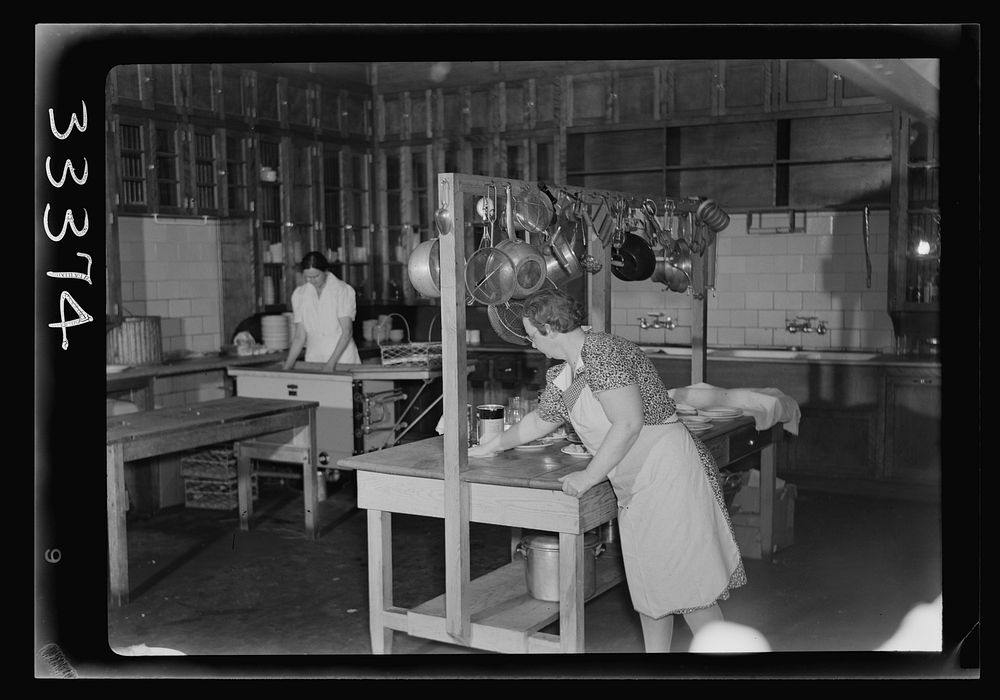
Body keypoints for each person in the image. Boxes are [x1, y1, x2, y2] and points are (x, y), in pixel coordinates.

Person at [468, 288, 746, 652]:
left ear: (550, 327)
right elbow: (542, 420)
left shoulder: (603, 352)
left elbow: (628, 423)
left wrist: (587, 476)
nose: (531, 344)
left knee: (691, 588)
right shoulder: (568, 372)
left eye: (533, 335)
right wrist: (492, 445)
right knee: (651, 588)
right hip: (637, 482)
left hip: (668, 476)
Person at [282, 251, 361, 371]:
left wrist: (331, 364)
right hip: (314, 359)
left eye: (316, 276)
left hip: (342, 360)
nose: (312, 280)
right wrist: (287, 366)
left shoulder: (342, 290)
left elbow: (347, 332)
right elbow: (299, 336)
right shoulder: (300, 295)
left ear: (326, 271)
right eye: (307, 277)